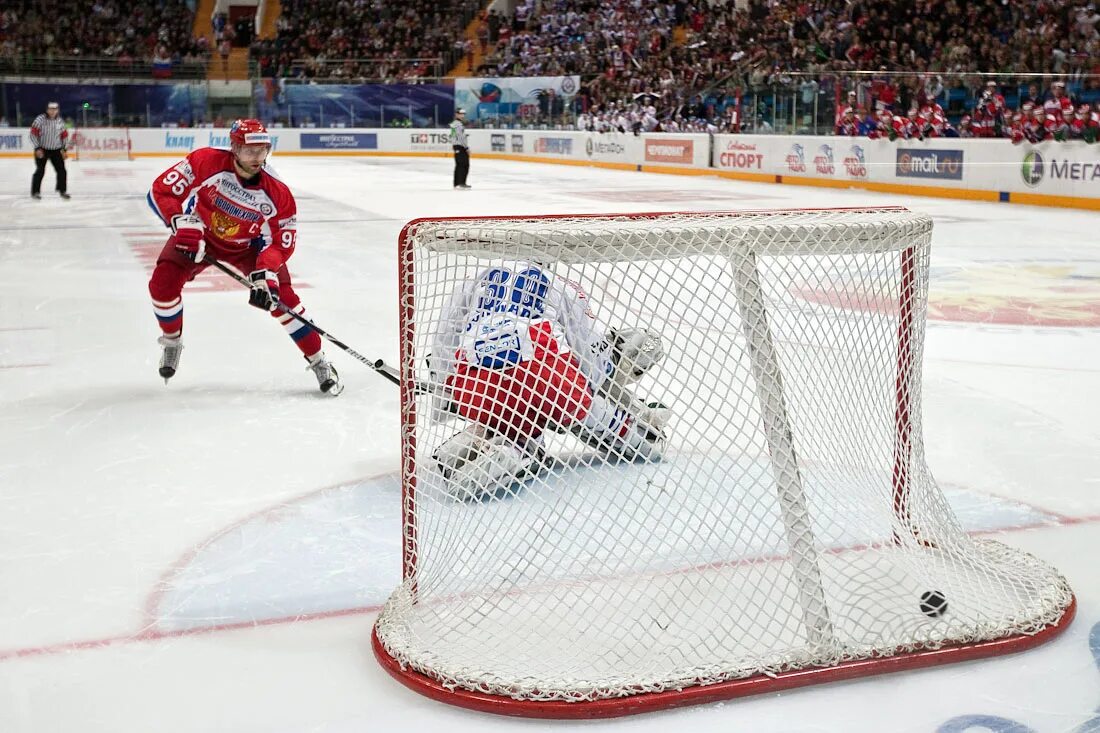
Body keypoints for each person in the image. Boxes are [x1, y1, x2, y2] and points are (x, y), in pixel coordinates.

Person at [427, 262, 670, 500]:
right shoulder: (564, 285)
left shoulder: (474, 279)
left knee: (515, 416)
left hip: (475, 383)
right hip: (541, 375)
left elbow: (444, 338)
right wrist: (594, 387)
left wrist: (447, 396)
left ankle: (482, 443)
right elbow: (586, 349)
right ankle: (639, 438)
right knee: (582, 406)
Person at [145, 118, 342, 395]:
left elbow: (281, 243)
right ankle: (171, 341)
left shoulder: (278, 193)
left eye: (262, 150)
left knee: (283, 300)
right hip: (202, 236)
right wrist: (181, 221)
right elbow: (161, 191)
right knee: (162, 284)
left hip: (250, 248)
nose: (257, 157)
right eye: (250, 150)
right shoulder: (206, 161)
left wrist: (265, 273)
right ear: (234, 148)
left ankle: (319, 361)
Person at [29, 101, 70, 200]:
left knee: (62, 171)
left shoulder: (60, 121)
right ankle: (35, 192)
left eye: (55, 109)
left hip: (56, 150)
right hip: (42, 149)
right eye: (51, 109)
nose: (52, 111)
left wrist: (64, 149)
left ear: (57, 110)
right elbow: (33, 134)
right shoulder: (40, 120)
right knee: (40, 170)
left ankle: (62, 191)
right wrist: (37, 148)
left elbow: (64, 136)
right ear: (47, 110)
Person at [449, 107, 471, 189]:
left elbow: (453, 136)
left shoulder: (455, 123)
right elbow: (460, 137)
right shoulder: (457, 124)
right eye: (460, 114)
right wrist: (466, 148)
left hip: (458, 146)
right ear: (456, 114)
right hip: (460, 146)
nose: (462, 115)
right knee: (463, 165)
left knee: (460, 165)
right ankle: (460, 183)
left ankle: (458, 183)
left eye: (463, 114)